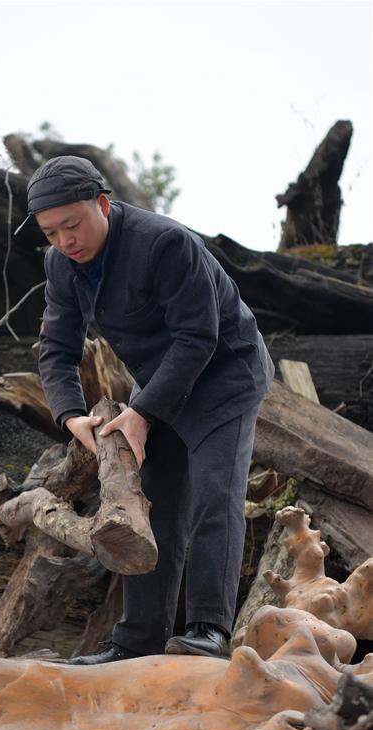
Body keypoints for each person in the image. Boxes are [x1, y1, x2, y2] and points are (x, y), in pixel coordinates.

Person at [16, 155, 275, 663]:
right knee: (149, 506)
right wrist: (71, 416)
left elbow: (199, 335)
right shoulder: (59, 265)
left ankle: (208, 632)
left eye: (73, 224)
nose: (66, 241)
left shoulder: (165, 243)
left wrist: (143, 412)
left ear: (104, 205)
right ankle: (136, 642)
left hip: (226, 373)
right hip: (159, 382)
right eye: (51, 232)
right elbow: (56, 350)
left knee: (214, 496)